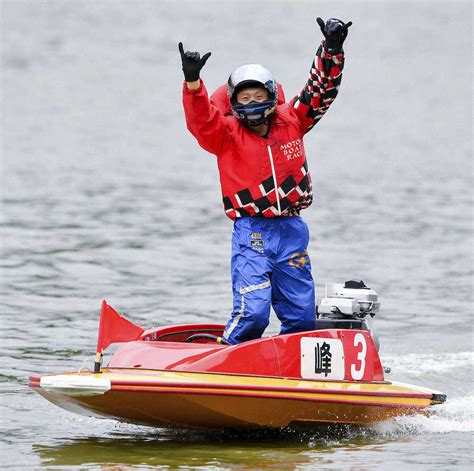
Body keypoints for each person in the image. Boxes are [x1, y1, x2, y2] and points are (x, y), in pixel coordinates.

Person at [179, 17, 352, 344]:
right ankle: (227, 354)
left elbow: (321, 90)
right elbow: (201, 120)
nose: (252, 102)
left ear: (272, 95)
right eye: (243, 99)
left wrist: (332, 48)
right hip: (252, 232)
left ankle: (295, 367)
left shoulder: (294, 119)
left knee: (301, 315)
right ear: (233, 104)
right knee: (254, 311)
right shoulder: (225, 135)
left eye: (258, 94)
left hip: (291, 230)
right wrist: (192, 82)